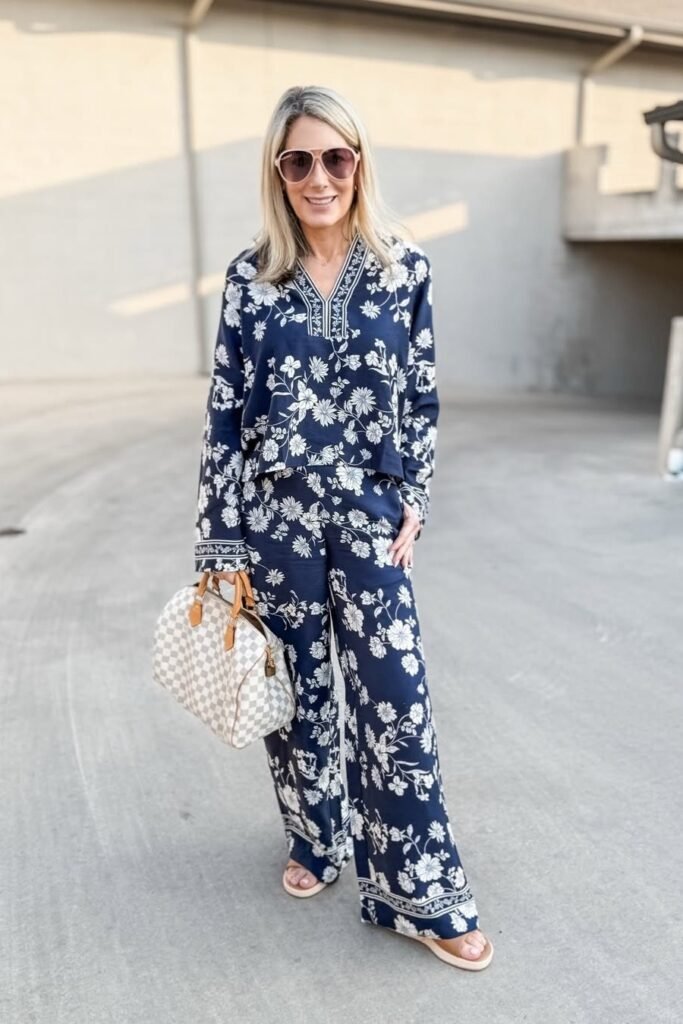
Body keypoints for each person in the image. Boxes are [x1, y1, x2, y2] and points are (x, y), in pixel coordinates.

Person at [193, 84, 493, 971]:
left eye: (335, 157)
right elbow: (221, 413)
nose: (318, 177)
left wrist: (416, 495)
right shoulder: (250, 279)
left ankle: (422, 890)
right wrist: (220, 542)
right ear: (278, 174)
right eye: (299, 161)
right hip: (273, 518)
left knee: (394, 700)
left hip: (367, 521)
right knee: (297, 698)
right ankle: (315, 833)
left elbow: (423, 396)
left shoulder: (406, 269)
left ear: (359, 163)